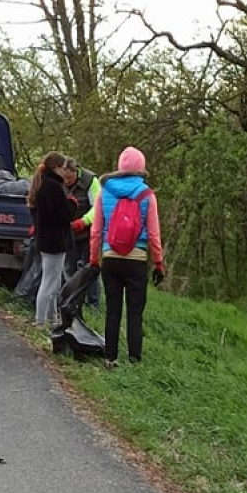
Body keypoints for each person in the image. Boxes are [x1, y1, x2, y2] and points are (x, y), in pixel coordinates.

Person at [89, 146, 164, 369]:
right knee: (135, 311)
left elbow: (96, 230)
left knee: (112, 309)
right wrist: (159, 262)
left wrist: (94, 258)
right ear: (141, 168)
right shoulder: (147, 195)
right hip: (136, 258)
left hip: (110, 256)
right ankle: (134, 359)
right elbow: (153, 234)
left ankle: (110, 358)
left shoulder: (104, 192)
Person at [27, 152, 77, 328]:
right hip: (54, 241)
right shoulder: (54, 187)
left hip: (46, 239)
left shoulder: (44, 185)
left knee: (53, 281)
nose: (66, 171)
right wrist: (72, 204)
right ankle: (41, 320)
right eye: (64, 167)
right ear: (56, 168)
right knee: (50, 281)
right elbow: (63, 215)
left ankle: (52, 318)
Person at [62, 157, 101, 309]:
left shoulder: (90, 181)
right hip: (68, 234)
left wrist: (83, 222)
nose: (66, 182)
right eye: (64, 179)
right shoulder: (59, 180)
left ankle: (93, 304)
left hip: (89, 233)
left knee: (90, 269)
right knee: (68, 269)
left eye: (69, 178)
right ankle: (70, 302)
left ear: (76, 172)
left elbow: (98, 207)